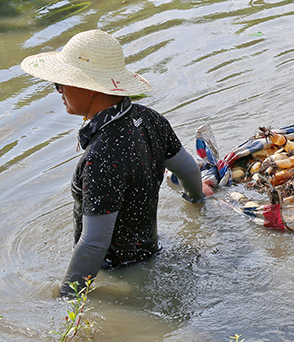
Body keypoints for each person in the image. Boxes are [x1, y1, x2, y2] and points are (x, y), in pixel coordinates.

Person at [20, 29, 210, 298]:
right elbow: (190, 170)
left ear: (90, 88)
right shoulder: (149, 119)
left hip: (118, 273)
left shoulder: (100, 156)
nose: (59, 90)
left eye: (61, 83)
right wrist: (196, 202)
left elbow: (94, 244)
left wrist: (66, 297)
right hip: (151, 251)